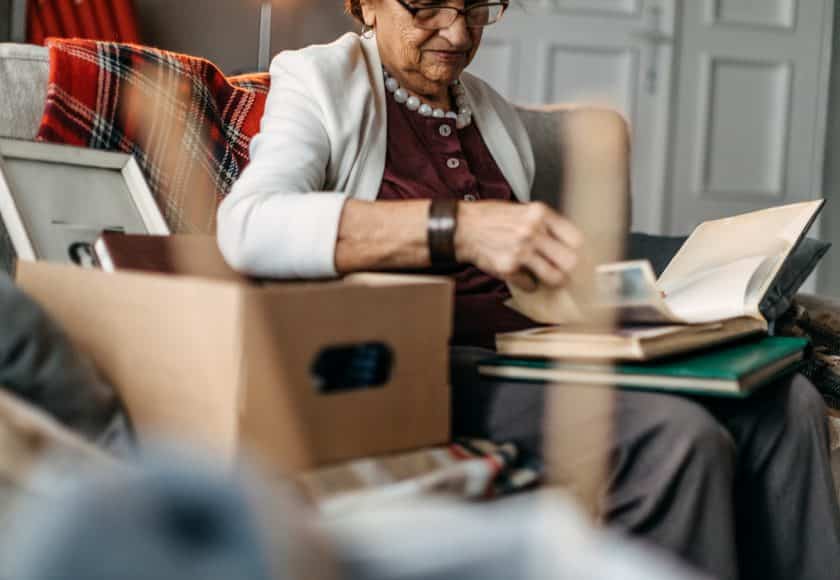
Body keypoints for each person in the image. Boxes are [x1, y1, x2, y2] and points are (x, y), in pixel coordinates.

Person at [217, 1, 840, 578]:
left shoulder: (488, 111)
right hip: (425, 368)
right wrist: (452, 228)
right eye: (427, 4)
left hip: (545, 349)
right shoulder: (320, 79)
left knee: (788, 406)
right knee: (677, 435)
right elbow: (250, 225)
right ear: (364, 3)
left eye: (477, 6)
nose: (459, 34)